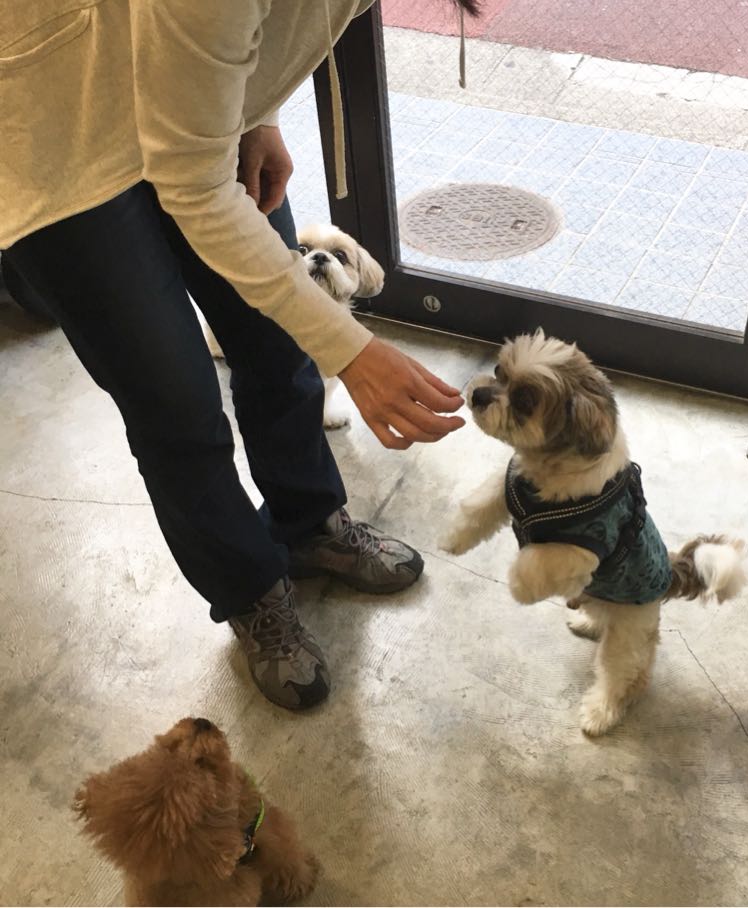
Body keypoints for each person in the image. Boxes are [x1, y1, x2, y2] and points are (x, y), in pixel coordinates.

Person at [0, 0, 478, 710]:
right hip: (52, 127)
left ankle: (309, 521)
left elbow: (247, 30)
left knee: (275, 341)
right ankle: (251, 591)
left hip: (186, 88)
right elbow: (194, 185)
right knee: (174, 401)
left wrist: (259, 114)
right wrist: (351, 350)